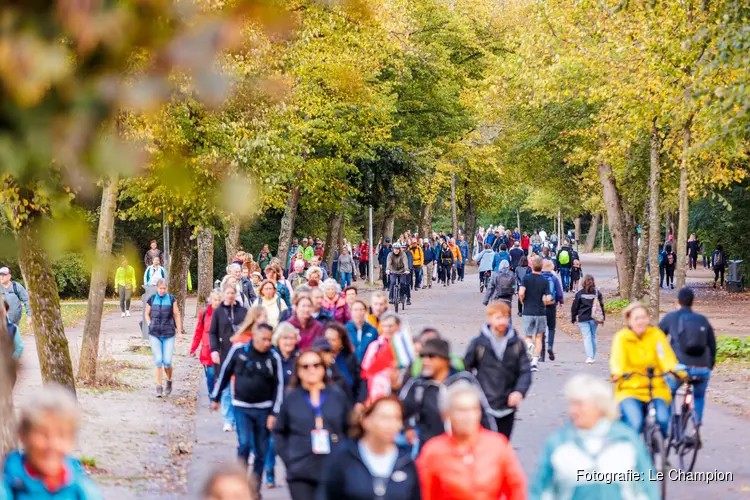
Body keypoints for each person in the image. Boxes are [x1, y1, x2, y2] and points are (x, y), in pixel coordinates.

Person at [530, 374, 658, 500]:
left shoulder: (626, 440)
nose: (573, 411)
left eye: (579, 404)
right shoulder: (558, 443)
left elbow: (647, 487)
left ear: (600, 406)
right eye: (571, 404)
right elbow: (540, 490)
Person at [417, 381, 527, 500]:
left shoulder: (497, 445)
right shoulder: (433, 451)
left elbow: (516, 488)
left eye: (473, 409)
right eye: (461, 410)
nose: (468, 416)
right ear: (446, 415)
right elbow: (424, 494)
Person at [212, 323, 283, 491]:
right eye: (263, 339)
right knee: (244, 444)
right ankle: (241, 483)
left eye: (269, 339)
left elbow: (279, 386)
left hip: (264, 409)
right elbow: (225, 372)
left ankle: (255, 489)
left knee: (261, 450)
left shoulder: (273, 357)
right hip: (242, 407)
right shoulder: (239, 351)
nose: (267, 343)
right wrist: (215, 397)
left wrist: (274, 412)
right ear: (255, 337)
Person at [274, 350, 351, 500]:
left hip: (333, 470)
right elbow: (279, 431)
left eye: (316, 365)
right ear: (298, 371)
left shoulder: (337, 395)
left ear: (323, 368)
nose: (312, 370)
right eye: (306, 366)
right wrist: (289, 459)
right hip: (301, 471)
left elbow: (350, 429)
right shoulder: (291, 398)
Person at [2, 385, 102, 499]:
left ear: (71, 441)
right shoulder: (7, 490)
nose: (52, 444)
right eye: (43, 434)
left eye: (62, 435)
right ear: (24, 435)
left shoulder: (85, 491)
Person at [318, 396, 421, 500]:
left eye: (397, 418)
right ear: (365, 421)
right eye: (385, 418)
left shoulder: (406, 462)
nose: (391, 424)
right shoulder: (344, 457)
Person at [464, 302, 531, 439]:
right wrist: (473, 392)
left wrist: (519, 391)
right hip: (484, 403)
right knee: (485, 444)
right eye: (498, 317)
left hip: (507, 404)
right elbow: (465, 370)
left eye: (505, 317)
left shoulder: (517, 344)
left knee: (503, 443)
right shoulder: (479, 344)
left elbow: (525, 371)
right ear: (490, 319)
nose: (502, 321)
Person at [610, 302, 679, 437]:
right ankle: (631, 452)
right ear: (629, 320)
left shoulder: (656, 335)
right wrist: (617, 373)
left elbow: (665, 357)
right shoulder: (622, 338)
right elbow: (617, 359)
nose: (640, 321)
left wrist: (675, 370)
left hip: (655, 388)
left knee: (663, 420)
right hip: (630, 388)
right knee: (636, 423)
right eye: (636, 318)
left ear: (648, 318)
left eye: (643, 317)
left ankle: (657, 450)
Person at [659, 288, 716, 424]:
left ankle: (669, 424)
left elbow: (656, 338)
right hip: (702, 368)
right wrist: (710, 365)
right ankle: (695, 426)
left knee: (666, 392)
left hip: (679, 367)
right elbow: (712, 345)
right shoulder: (702, 320)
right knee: (699, 396)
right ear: (693, 302)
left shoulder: (671, 317)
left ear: (677, 301)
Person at [401, 338, 469, 451]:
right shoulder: (418, 385)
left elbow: (484, 415)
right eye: (423, 356)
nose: (425, 361)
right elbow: (400, 410)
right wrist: (408, 428)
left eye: (431, 356)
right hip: (430, 451)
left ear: (445, 360)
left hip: (462, 450)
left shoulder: (463, 381)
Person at [210, 283, 248, 431]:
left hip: (240, 353)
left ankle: (238, 418)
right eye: (228, 293)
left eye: (233, 293)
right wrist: (214, 350)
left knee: (238, 387)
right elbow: (213, 332)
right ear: (224, 294)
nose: (230, 295)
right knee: (225, 387)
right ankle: (227, 419)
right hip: (223, 352)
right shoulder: (218, 312)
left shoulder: (243, 311)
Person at [144, 279, 182, 397]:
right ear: (157, 288)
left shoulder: (171, 299)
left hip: (168, 334)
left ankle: (169, 380)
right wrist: (150, 323)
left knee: (167, 361)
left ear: (166, 288)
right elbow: (147, 313)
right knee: (158, 360)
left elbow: (176, 315)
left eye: (164, 288)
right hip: (154, 334)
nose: (162, 291)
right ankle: (159, 386)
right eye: (160, 288)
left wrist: (179, 331)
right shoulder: (151, 299)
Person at [322, 323, 367, 408]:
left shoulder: (350, 358)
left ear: (341, 341)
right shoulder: (318, 359)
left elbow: (361, 382)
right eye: (327, 339)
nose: (329, 343)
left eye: (333, 340)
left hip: (347, 404)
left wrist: (360, 402)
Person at [361, 312, 401, 402]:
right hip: (377, 394)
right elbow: (366, 370)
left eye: (390, 326)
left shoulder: (404, 348)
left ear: (398, 326)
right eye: (384, 326)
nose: (387, 329)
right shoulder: (375, 346)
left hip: (398, 393)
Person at [191, 290, 222, 405]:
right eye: (215, 300)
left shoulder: (224, 312)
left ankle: (218, 396)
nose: (217, 302)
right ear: (210, 300)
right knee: (210, 374)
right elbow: (198, 331)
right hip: (207, 349)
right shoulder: (204, 313)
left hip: (221, 348)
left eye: (219, 300)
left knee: (220, 375)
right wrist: (193, 348)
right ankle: (212, 396)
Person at [519, 256, 549, 372]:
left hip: (528, 311)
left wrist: (522, 300)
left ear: (531, 266)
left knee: (528, 336)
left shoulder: (526, 278)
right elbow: (548, 297)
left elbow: (521, 292)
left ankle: (528, 346)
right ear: (541, 267)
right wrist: (544, 303)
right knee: (539, 337)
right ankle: (535, 362)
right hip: (540, 312)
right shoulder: (544, 280)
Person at [571, 275, 605, 364]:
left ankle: (590, 357)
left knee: (587, 337)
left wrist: (573, 317)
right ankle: (592, 355)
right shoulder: (597, 293)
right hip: (595, 318)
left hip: (583, 317)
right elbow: (601, 306)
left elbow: (575, 307)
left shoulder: (580, 294)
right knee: (593, 336)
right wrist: (602, 318)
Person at [541, 259, 564, 362]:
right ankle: (550, 346)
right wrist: (561, 301)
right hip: (551, 305)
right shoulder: (553, 278)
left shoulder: (538, 277)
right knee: (551, 328)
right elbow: (559, 292)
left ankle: (541, 352)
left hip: (540, 306)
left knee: (540, 329)